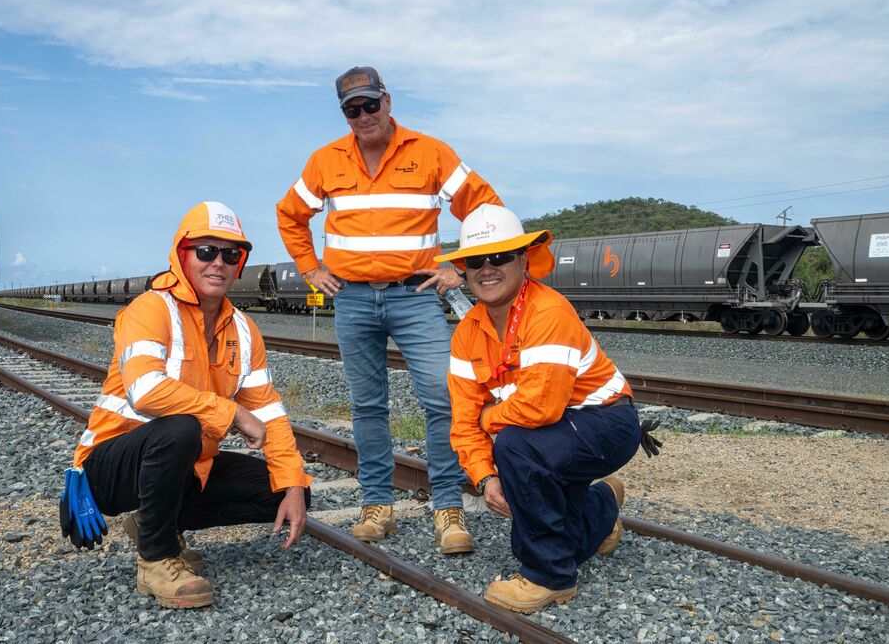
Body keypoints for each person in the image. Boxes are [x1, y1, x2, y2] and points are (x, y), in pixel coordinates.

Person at [276, 66, 503, 553]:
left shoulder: (431, 153)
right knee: (368, 406)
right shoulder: (325, 161)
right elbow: (290, 214)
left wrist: (458, 270)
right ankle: (378, 507)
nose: (362, 116)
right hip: (352, 298)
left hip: (416, 294)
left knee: (443, 400)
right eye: (351, 110)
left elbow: (485, 207)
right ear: (344, 113)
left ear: (387, 100)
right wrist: (310, 267)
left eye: (369, 105)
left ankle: (448, 510)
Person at [63, 201, 312, 609]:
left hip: (182, 466)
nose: (218, 263)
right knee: (181, 428)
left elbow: (269, 412)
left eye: (230, 254)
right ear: (183, 254)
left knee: (286, 491)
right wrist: (230, 413)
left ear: (240, 263)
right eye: (206, 251)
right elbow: (145, 391)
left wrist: (292, 483)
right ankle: (156, 560)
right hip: (108, 470)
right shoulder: (150, 309)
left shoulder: (245, 331)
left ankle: (151, 521)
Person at [437, 204, 659, 613]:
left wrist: (489, 421)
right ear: (463, 270)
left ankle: (550, 577)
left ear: (523, 260)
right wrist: (485, 479)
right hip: (556, 435)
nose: (487, 268)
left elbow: (538, 408)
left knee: (517, 449)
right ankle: (600, 507)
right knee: (542, 505)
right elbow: (462, 422)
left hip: (607, 422)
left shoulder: (547, 311)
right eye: (475, 260)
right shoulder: (467, 335)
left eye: (501, 256)